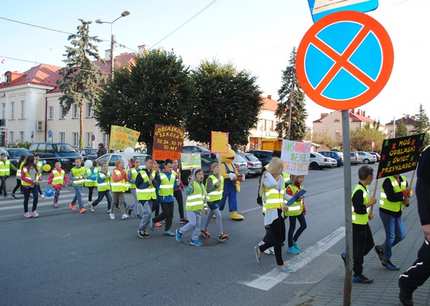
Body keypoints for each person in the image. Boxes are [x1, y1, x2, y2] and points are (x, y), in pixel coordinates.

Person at [399, 146, 430, 306]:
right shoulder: (429, 154)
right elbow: (423, 188)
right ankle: (407, 283)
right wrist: (426, 221)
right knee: (427, 262)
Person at [342, 165, 376, 284]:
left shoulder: (364, 188)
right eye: (372, 175)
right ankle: (357, 274)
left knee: (369, 244)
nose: (373, 178)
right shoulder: (359, 191)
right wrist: (370, 204)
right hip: (357, 224)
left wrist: (368, 214)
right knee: (359, 250)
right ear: (368, 176)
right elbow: (358, 208)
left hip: (363, 222)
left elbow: (362, 208)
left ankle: (349, 255)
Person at [254, 157, 289, 271]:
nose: (282, 170)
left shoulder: (281, 178)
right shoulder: (266, 178)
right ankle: (280, 264)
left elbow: (282, 194)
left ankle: (261, 248)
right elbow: (273, 185)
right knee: (278, 240)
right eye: (280, 167)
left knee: (281, 238)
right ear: (275, 167)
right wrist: (269, 172)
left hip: (280, 211)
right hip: (271, 212)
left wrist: (294, 198)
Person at [374, 174, 410, 271]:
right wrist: (404, 194)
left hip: (397, 212)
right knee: (391, 237)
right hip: (387, 213)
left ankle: (382, 248)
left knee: (401, 235)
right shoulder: (388, 181)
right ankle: (386, 260)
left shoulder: (404, 179)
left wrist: (407, 199)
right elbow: (391, 197)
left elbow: (407, 193)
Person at [176, 169, 207, 247]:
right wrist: (190, 184)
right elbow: (187, 192)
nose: (201, 176)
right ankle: (180, 231)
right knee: (193, 223)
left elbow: (204, 198)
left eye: (202, 174)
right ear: (195, 176)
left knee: (198, 226)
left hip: (198, 209)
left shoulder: (202, 186)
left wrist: (205, 208)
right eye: (199, 174)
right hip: (191, 208)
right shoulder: (193, 184)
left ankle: (194, 239)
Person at [202, 162, 229, 242]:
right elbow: (208, 190)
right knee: (219, 215)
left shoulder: (221, 177)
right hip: (211, 200)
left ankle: (204, 229)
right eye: (216, 168)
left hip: (218, 200)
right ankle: (221, 234)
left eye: (219, 168)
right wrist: (216, 186)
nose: (218, 169)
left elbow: (221, 188)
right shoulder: (210, 178)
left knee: (210, 216)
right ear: (212, 169)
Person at [219, 146, 245, 221]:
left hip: (233, 184)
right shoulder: (222, 165)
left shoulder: (232, 164)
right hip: (224, 185)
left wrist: (240, 176)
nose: (232, 158)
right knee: (222, 199)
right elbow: (220, 175)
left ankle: (234, 213)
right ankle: (216, 210)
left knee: (233, 198)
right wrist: (228, 175)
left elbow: (236, 173)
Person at [152, 159, 177, 237]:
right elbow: (156, 185)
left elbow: (174, 186)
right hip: (163, 198)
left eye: (171, 167)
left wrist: (177, 184)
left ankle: (167, 230)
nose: (170, 169)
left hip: (170, 197)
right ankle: (153, 220)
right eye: (169, 167)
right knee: (166, 213)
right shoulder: (160, 175)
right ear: (165, 166)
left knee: (170, 215)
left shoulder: (173, 175)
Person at [285, 175, 307, 255]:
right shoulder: (289, 187)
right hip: (292, 211)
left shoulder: (300, 187)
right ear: (294, 178)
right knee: (292, 227)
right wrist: (296, 198)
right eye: (299, 178)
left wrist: (304, 207)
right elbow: (287, 200)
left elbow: (302, 199)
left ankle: (294, 240)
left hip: (299, 210)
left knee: (304, 225)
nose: (301, 179)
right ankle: (290, 247)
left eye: (302, 177)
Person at [136, 157, 157, 238]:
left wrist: (153, 181)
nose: (151, 164)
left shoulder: (153, 172)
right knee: (147, 213)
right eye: (149, 163)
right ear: (145, 163)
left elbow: (156, 184)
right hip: (143, 197)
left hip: (151, 196)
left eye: (152, 163)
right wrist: (148, 182)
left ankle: (144, 230)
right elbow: (138, 186)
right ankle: (140, 229)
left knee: (148, 214)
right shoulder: (141, 173)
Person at [173, 159, 187, 224]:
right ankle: (165, 218)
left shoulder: (178, 170)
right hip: (171, 190)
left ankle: (182, 218)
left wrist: (181, 185)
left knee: (181, 203)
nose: (176, 164)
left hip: (177, 189)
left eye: (176, 163)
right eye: (174, 163)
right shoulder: (170, 171)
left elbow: (179, 179)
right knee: (169, 205)